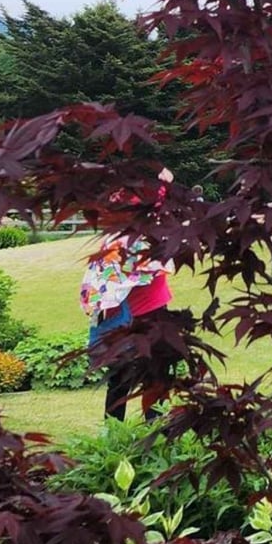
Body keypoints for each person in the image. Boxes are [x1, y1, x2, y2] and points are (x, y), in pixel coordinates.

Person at [81, 169, 174, 422]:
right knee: (152, 374)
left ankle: (117, 430)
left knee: (125, 378)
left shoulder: (114, 240)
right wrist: (164, 185)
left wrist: (163, 186)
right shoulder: (137, 238)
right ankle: (153, 427)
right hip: (145, 313)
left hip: (128, 314)